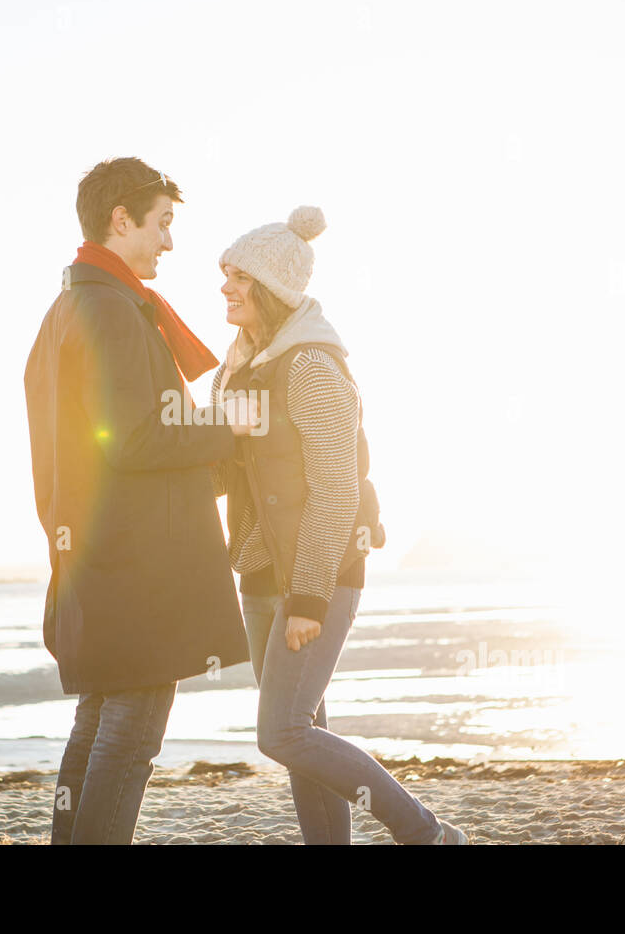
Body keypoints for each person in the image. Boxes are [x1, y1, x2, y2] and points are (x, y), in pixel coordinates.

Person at [208, 205, 470, 845]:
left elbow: (334, 488)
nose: (225, 287)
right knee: (304, 731)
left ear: (272, 287)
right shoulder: (237, 366)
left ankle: (429, 835)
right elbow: (220, 469)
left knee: (283, 732)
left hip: (315, 575)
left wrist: (308, 597)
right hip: (262, 572)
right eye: (224, 273)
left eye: (239, 275)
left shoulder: (309, 366)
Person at [23, 157, 254, 844]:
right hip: (139, 568)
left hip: (97, 559)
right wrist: (230, 428)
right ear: (120, 220)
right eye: (162, 224)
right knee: (128, 740)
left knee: (97, 724)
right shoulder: (108, 310)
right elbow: (134, 440)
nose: (169, 243)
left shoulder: (69, 307)